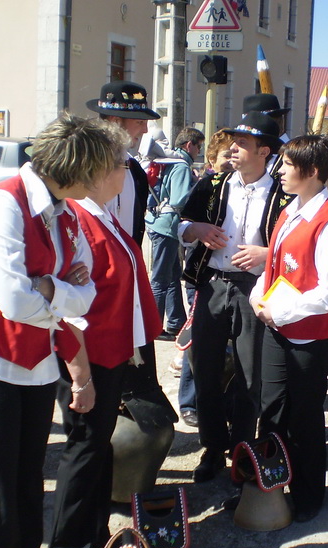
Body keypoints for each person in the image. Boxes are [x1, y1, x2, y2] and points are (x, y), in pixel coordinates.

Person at [0, 113, 122, 548]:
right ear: (74, 167)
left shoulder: (63, 212)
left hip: (36, 364)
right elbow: (14, 302)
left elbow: (86, 298)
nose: (99, 180)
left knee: (26, 487)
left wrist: (50, 288)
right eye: (95, 169)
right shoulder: (3, 204)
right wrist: (58, 292)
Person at [48, 125, 163, 548]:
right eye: (121, 163)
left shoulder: (102, 214)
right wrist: (81, 377)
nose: (127, 169)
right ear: (98, 171)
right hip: (88, 357)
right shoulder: (77, 220)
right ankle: (69, 546)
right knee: (84, 448)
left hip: (112, 352)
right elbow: (66, 312)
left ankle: (93, 533)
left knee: (97, 448)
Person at [179, 111, 287, 482]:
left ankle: (242, 449)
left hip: (254, 288)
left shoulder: (282, 193)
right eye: (233, 141)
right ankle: (212, 448)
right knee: (203, 367)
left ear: (265, 152)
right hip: (213, 282)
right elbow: (179, 221)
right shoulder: (213, 184)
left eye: (242, 143)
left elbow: (297, 248)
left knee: (249, 374)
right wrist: (196, 228)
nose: (233, 148)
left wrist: (266, 254)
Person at [250, 134, 328, 522]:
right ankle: (266, 487)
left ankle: (308, 495)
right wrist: (260, 298)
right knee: (271, 409)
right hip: (279, 325)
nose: (280, 170)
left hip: (312, 335)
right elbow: (273, 265)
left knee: (304, 416)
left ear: (311, 172)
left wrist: (282, 313)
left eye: (288, 165)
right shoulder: (291, 210)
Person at [178, 130, 235, 427]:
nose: (230, 161)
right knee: (196, 339)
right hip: (203, 276)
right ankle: (189, 400)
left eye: (234, 155)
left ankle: (223, 400)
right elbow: (182, 225)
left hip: (235, 281)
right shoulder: (204, 187)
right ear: (212, 159)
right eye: (225, 155)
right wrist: (196, 229)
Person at [146, 127, 205, 339]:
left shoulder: (170, 161)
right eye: (199, 146)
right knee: (161, 280)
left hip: (157, 223)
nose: (199, 151)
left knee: (171, 277)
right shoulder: (181, 166)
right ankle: (152, 328)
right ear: (189, 145)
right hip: (167, 226)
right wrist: (196, 187)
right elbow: (179, 199)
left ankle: (175, 323)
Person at [87, 80, 161, 245]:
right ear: (115, 121)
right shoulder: (84, 166)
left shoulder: (135, 171)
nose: (145, 130)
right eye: (139, 122)